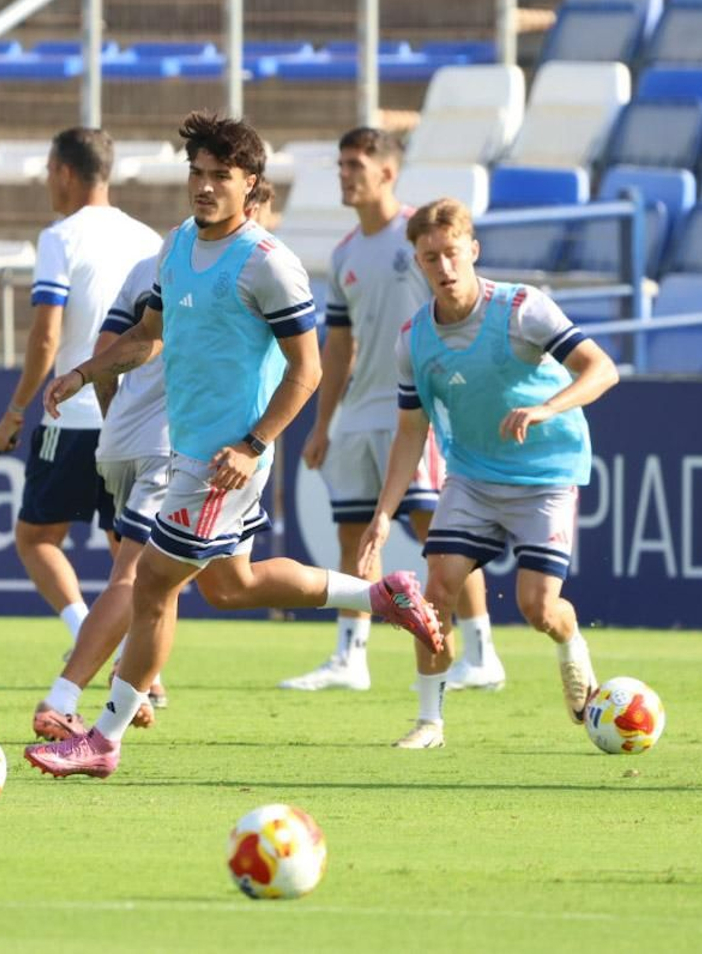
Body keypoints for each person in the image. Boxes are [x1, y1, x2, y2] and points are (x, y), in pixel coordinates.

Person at [23, 113, 444, 779]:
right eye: (197, 172)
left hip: (226, 461)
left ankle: (102, 737)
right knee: (229, 585)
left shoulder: (268, 264)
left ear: (252, 186)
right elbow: (148, 337)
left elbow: (307, 370)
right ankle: (380, 597)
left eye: (222, 175)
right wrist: (82, 372)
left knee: (152, 581)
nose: (205, 185)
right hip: (192, 448)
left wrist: (253, 444)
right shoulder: (178, 246)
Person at [356, 198, 619, 749]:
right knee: (435, 596)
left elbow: (602, 369)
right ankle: (430, 722)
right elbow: (411, 432)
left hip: (545, 475)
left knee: (537, 607)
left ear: (472, 250)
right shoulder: (413, 339)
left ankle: (571, 646)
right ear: (419, 264)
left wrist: (549, 407)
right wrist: (383, 516)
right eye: (431, 258)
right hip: (472, 478)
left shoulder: (523, 307)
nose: (444, 268)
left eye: (452, 253)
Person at [283, 128, 502, 694]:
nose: (345, 174)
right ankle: (350, 656)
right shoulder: (344, 253)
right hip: (358, 410)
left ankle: (480, 650)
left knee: (441, 529)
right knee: (353, 533)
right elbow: (339, 346)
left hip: (417, 407)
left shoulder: (425, 240)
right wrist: (323, 422)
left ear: (387, 172)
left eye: (356, 163)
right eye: (340, 164)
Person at [0, 128, 162, 651]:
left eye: (49, 171)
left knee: (36, 538)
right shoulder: (149, 239)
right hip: (132, 416)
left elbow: (46, 336)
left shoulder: (60, 237)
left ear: (65, 172)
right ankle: (139, 670)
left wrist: (18, 408)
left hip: (73, 414)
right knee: (128, 551)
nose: (48, 182)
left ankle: (84, 632)